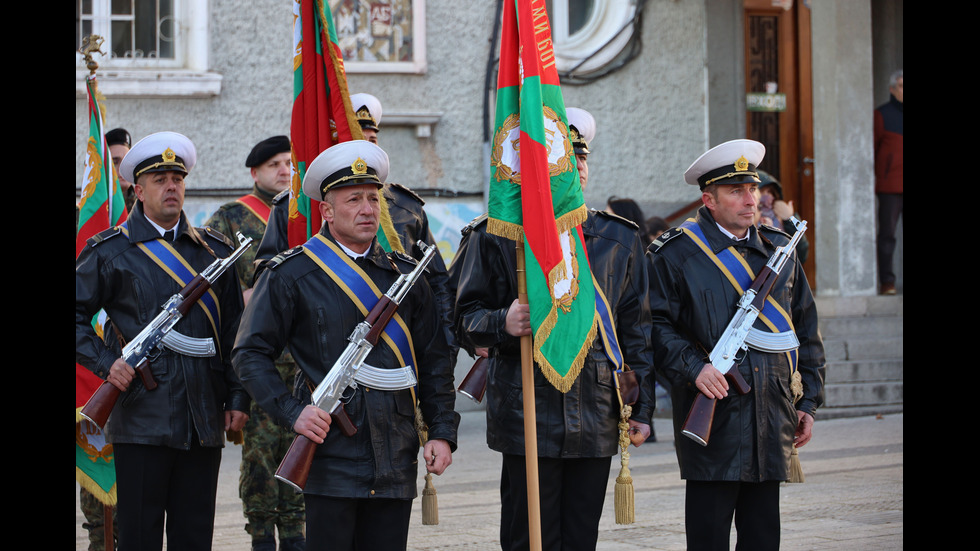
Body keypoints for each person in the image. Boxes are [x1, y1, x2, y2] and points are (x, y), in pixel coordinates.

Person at [232, 140, 459, 551]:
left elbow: (434, 359)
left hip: (396, 455)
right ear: (327, 210)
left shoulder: (406, 278)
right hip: (330, 457)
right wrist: (292, 412)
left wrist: (441, 431)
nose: (368, 209)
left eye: (374, 199)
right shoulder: (292, 273)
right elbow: (249, 354)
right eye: (354, 199)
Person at [452, 107, 655, 550]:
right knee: (529, 538)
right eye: (562, 162)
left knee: (581, 537)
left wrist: (641, 409)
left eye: (579, 161)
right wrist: (500, 323)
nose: (574, 171)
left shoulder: (618, 239)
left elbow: (636, 332)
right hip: (527, 410)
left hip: (597, 411)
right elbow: (461, 319)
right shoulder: (496, 236)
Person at [646, 139, 825, 551]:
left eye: (754, 189)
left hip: (771, 418)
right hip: (715, 427)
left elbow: (805, 329)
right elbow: (651, 327)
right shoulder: (676, 254)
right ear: (709, 199)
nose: (752, 199)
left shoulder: (780, 249)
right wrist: (695, 368)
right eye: (736, 191)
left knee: (763, 539)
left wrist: (808, 402)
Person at [76, 131, 249, 551]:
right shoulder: (111, 251)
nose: (172, 187)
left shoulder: (214, 252)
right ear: (138, 190)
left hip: (202, 419)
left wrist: (238, 400)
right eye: (160, 179)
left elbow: (236, 334)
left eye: (178, 178)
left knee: (194, 538)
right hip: (140, 416)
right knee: (139, 537)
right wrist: (105, 362)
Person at [252, 93, 454, 357]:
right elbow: (267, 279)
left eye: (372, 141)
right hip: (322, 354)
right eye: (356, 140)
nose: (365, 150)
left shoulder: (407, 207)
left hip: (400, 352)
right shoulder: (293, 207)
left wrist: (447, 349)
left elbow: (437, 284)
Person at [204, 136, 306, 551]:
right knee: (262, 457)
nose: (284, 171)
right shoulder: (231, 218)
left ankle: (298, 532)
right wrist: (246, 296)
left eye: (289, 163)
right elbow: (207, 283)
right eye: (275, 165)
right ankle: (262, 533)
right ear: (255, 172)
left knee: (302, 449)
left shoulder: (306, 214)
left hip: (303, 360)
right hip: (258, 361)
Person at [874, 69, 903, 295]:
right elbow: (872, 149)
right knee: (887, 236)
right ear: (893, 89)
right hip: (890, 188)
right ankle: (887, 282)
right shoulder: (882, 115)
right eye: (901, 86)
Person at [755, 170, 809, 263]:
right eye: (762, 191)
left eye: (770, 192)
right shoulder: (750, 217)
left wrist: (789, 219)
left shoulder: (780, 216)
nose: (768, 197)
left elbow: (802, 254)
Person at [106, 128, 137, 212]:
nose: (121, 168)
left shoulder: (148, 207)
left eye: (126, 162)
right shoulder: (88, 212)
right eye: (114, 162)